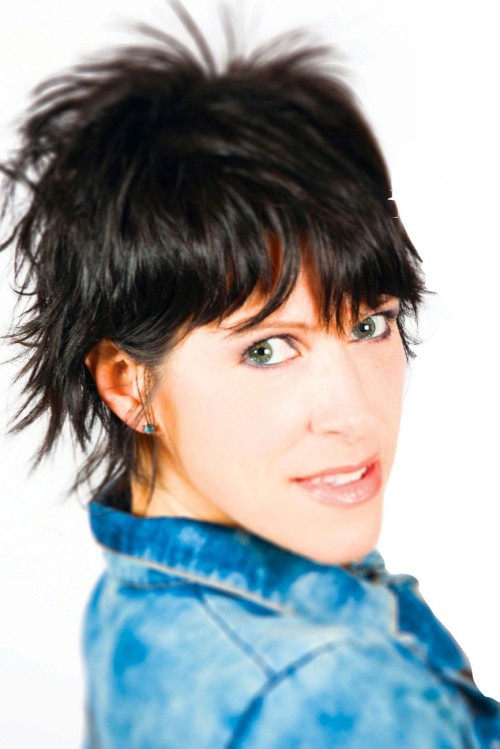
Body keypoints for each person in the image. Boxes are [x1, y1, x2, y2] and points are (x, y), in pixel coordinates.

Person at [1, 5, 499, 748]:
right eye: (267, 349)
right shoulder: (336, 696)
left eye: (370, 325)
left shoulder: (144, 584)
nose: (353, 414)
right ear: (129, 384)